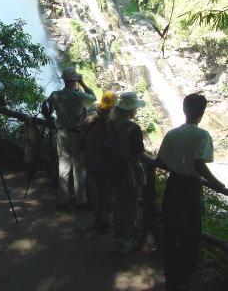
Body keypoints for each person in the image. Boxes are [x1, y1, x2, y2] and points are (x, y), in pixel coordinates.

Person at [156, 93, 225, 291]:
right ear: (202, 113)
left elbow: (160, 161)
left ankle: (171, 278)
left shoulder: (172, 133)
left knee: (171, 232)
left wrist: (177, 165)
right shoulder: (202, 135)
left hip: (173, 185)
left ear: (184, 110)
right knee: (191, 236)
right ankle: (184, 280)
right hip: (190, 187)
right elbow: (198, 163)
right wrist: (217, 183)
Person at [46, 67, 96, 208]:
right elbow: (93, 97)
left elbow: (46, 105)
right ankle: (81, 201)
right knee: (79, 169)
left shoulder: (55, 95)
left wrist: (50, 116)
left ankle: (62, 200)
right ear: (75, 81)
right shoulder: (80, 97)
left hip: (61, 134)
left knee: (63, 168)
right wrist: (83, 83)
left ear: (64, 80)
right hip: (76, 135)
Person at [107, 91, 147, 254]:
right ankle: (126, 241)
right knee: (130, 208)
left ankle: (117, 239)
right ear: (131, 110)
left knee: (118, 205)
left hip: (115, 168)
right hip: (131, 171)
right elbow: (138, 154)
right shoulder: (134, 128)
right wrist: (155, 161)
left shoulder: (112, 123)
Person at [83, 91, 118, 233]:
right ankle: (104, 221)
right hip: (106, 161)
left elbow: (82, 137)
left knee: (95, 191)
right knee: (108, 193)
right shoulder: (114, 122)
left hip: (90, 160)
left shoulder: (90, 117)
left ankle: (97, 219)